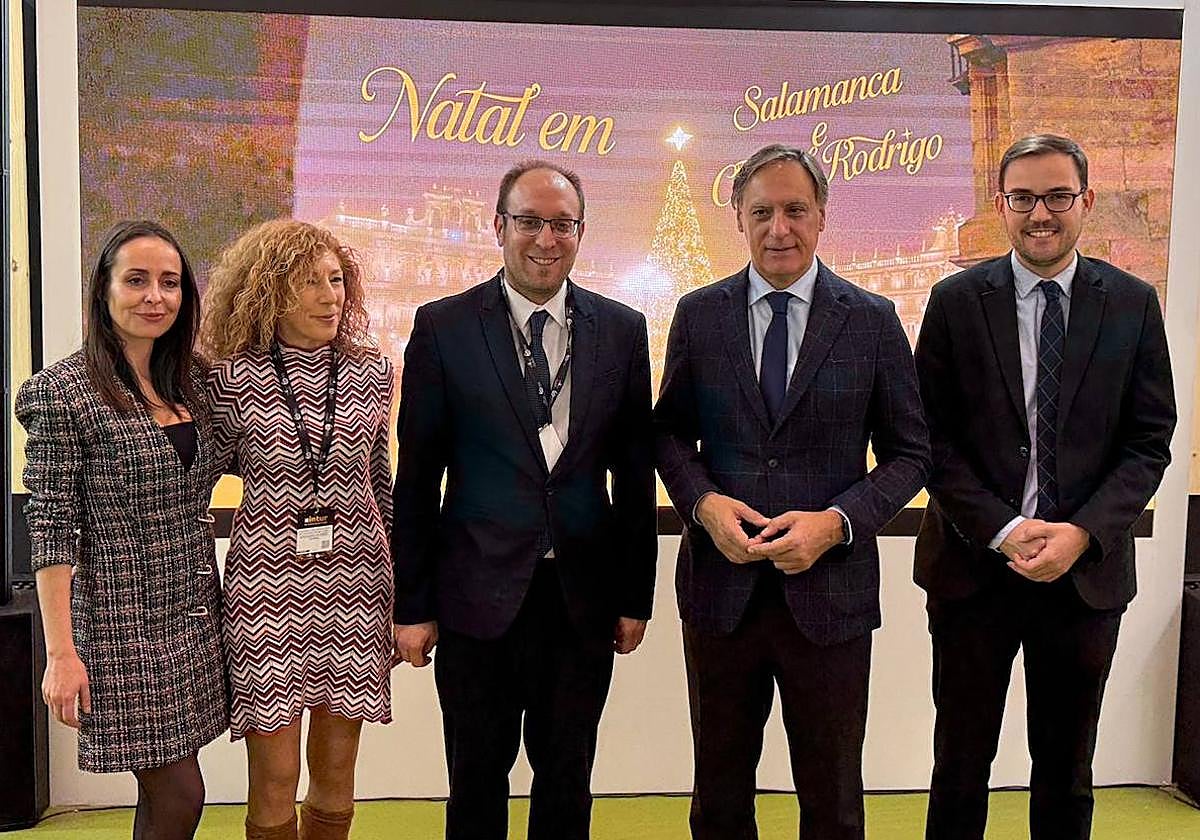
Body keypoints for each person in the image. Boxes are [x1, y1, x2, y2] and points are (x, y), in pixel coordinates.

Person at [654, 144, 930, 840]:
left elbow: (911, 454)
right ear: (739, 221)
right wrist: (704, 506)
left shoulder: (871, 319)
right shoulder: (699, 315)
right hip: (721, 595)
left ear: (823, 217)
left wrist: (836, 523)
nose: (780, 228)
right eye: (763, 212)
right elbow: (666, 438)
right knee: (718, 799)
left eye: (796, 210)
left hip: (830, 597)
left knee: (833, 803)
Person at [914, 133, 1176, 840]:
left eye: (1057, 196)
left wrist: (1082, 533)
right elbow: (927, 440)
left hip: (1085, 579)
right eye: (1023, 197)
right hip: (973, 570)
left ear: (1085, 201)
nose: (1041, 214)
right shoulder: (955, 301)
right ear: (1002, 204)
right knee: (959, 764)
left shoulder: (1131, 304)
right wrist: (1002, 529)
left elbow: (1150, 441)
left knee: (1067, 769)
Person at [391, 160, 656, 840]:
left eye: (562, 224)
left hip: (581, 600)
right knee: (476, 781)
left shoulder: (623, 331)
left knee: (567, 778)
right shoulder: (444, 328)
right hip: (476, 598)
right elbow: (418, 478)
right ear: (499, 227)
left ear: (581, 232)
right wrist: (412, 605)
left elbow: (633, 475)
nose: (546, 239)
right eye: (530, 222)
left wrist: (635, 598)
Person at [16, 221, 227, 840]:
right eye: (136, 281)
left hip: (192, 616)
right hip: (116, 628)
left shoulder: (196, 382)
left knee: (165, 792)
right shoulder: (61, 393)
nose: (154, 297)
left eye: (169, 283)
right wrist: (60, 655)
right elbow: (52, 530)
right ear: (103, 290)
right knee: (181, 793)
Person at [202, 220, 394, 840]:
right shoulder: (228, 380)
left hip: (358, 587)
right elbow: (197, 484)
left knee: (337, 768)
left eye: (336, 280)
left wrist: (402, 593)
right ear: (267, 291)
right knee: (274, 774)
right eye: (308, 282)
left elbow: (381, 485)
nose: (328, 295)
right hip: (264, 590)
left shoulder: (373, 372)